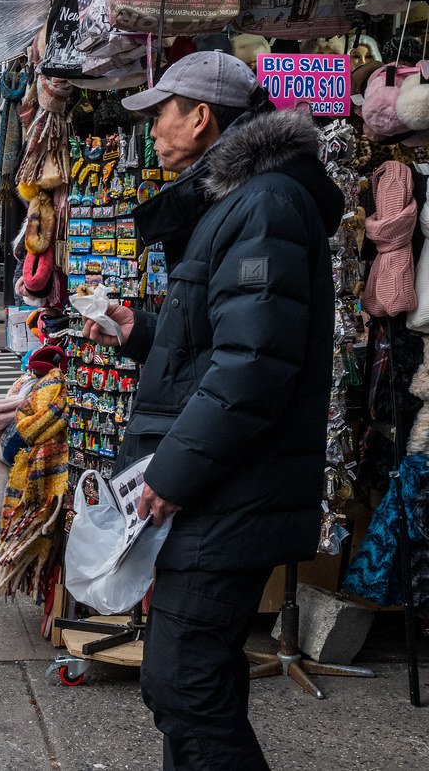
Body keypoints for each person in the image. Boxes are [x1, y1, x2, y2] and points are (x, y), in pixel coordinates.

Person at [81, 51, 341, 770]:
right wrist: (140, 333)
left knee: (184, 686)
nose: (153, 132)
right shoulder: (244, 202)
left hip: (229, 491)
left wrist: (173, 471)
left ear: (201, 118)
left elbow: (252, 367)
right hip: (225, 488)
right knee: (198, 683)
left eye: (161, 114)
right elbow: (218, 345)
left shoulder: (263, 204)